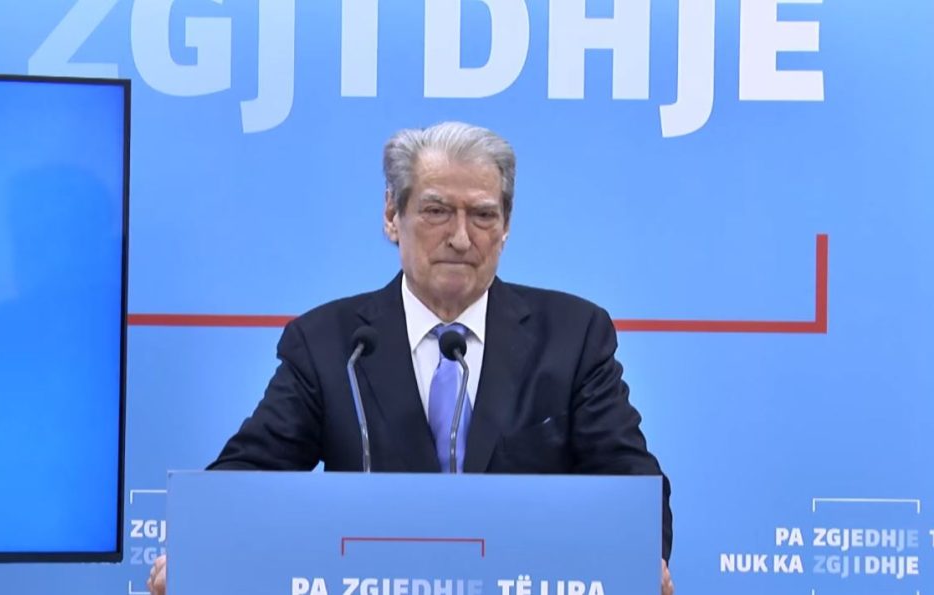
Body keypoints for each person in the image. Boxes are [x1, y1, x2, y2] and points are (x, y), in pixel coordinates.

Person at [148, 121, 674, 595]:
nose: (461, 237)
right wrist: (200, 550)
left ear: (506, 226)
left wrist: (640, 559)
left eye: (483, 215)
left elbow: (631, 483)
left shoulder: (573, 336)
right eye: (437, 211)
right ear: (391, 216)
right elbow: (247, 476)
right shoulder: (333, 344)